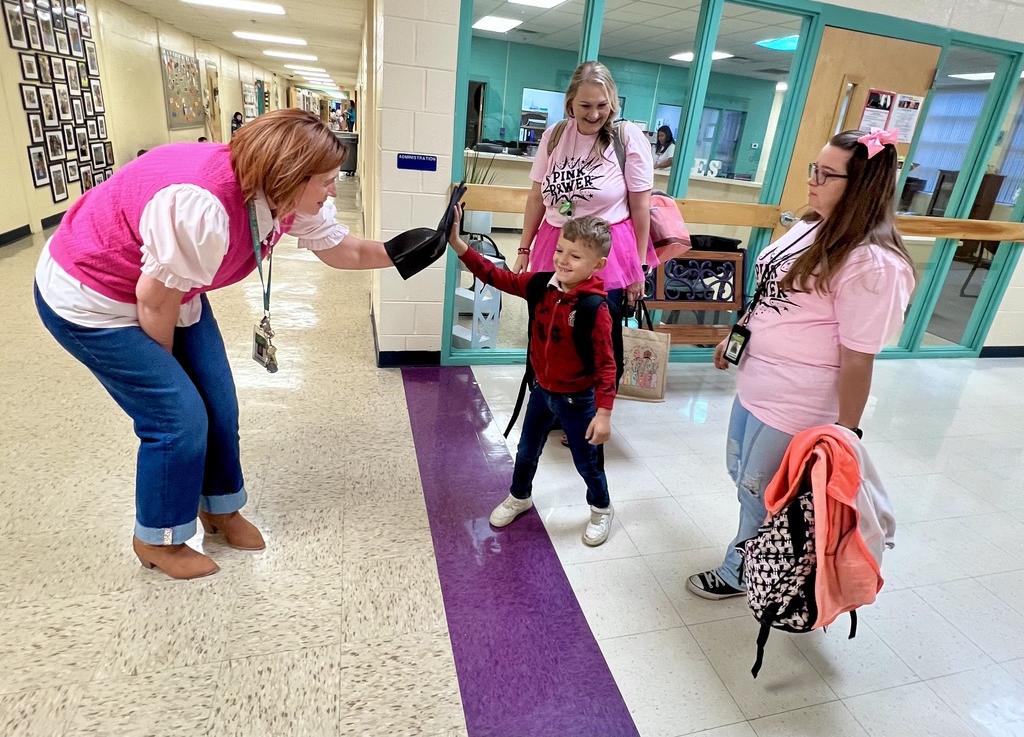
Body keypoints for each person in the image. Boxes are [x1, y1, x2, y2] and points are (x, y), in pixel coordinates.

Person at [33, 109, 446, 581]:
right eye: (328, 180)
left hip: (168, 290)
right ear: (290, 174)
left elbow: (343, 250)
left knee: (219, 404)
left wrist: (408, 251)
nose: (335, 189)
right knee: (178, 415)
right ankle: (158, 538)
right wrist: (167, 375)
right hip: (91, 295)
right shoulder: (202, 205)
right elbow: (151, 302)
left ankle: (220, 510)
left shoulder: (280, 194)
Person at [686, 127, 915, 599]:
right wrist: (738, 335)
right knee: (742, 474)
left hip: (799, 402)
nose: (812, 180)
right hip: (758, 384)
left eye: (827, 175)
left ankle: (742, 570)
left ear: (861, 188)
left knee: (759, 488)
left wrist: (845, 433)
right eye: (814, 168)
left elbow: (857, 356)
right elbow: (770, 288)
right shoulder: (812, 224)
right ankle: (772, 552)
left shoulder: (873, 264)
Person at [450, 211, 617, 546]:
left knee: (586, 463)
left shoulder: (594, 309)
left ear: (597, 265)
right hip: (542, 390)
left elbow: (607, 365)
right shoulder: (541, 285)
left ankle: (601, 508)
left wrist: (603, 413)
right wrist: (457, 243)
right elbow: (496, 277)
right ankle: (520, 495)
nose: (563, 260)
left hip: (577, 400)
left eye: (575, 255)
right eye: (560, 250)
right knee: (526, 450)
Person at [514, 61, 655, 382]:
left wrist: (639, 267)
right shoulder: (555, 135)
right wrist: (524, 248)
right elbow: (537, 196)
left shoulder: (626, 138)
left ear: (613, 104)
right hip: (554, 245)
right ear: (570, 105)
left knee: (595, 336)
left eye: (602, 106)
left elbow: (641, 206)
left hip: (606, 252)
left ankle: (589, 411)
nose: (594, 114)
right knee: (547, 326)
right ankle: (548, 398)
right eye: (585, 106)